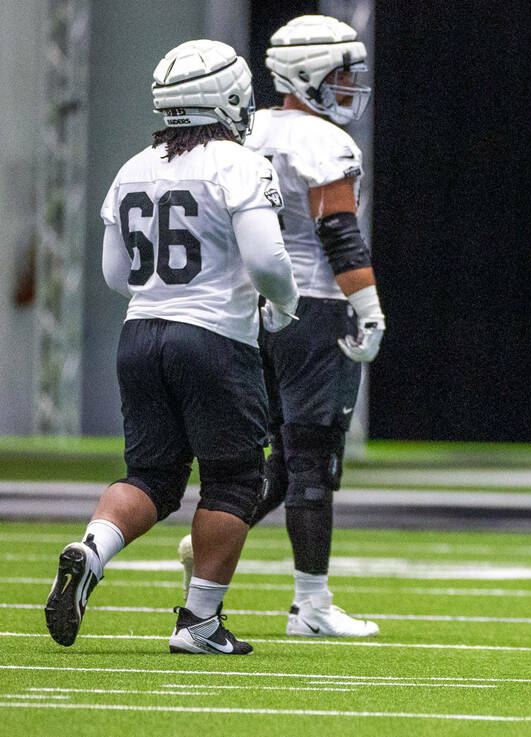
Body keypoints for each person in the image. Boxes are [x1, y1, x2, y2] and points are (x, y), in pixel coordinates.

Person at [45, 39, 299, 655]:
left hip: (141, 335)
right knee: (236, 479)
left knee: (152, 477)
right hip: (213, 336)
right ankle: (200, 622)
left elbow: (115, 274)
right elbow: (266, 258)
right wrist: (285, 303)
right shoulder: (239, 163)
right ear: (228, 97)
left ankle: (93, 548)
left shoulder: (133, 166)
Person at [178, 14, 385, 638]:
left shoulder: (248, 130)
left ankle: (214, 544)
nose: (351, 86)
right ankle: (311, 605)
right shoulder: (322, 142)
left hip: (248, 307)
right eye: (342, 75)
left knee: (259, 458)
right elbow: (338, 233)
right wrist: (370, 307)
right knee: (313, 459)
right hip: (316, 306)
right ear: (309, 75)